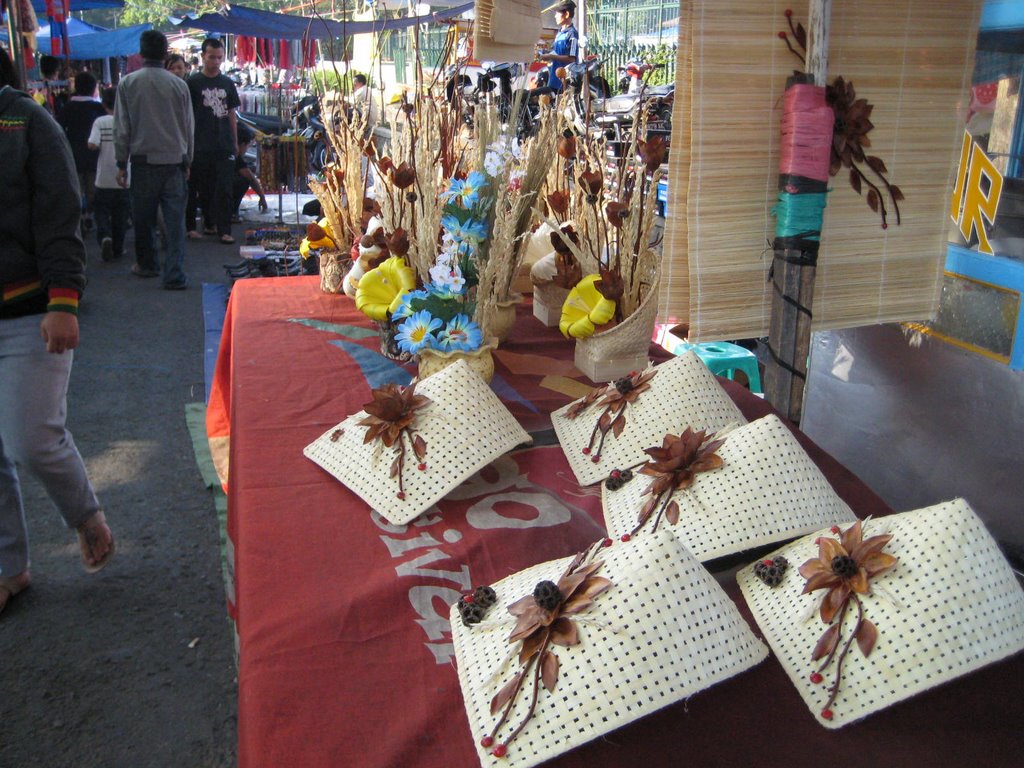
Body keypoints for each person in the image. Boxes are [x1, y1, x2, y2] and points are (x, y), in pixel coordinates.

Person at [0, 46, 115, 615]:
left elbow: (61, 210)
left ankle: (85, 514)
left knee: (31, 438)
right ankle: (8, 567)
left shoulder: (25, 120)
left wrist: (64, 299)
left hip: (28, 307)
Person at [113, 29, 194, 290]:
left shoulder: (128, 83)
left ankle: (147, 265)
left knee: (143, 219)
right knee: (175, 223)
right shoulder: (179, 85)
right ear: (165, 53)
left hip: (142, 161)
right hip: (174, 161)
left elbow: (122, 127)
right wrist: (188, 160)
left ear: (141, 51)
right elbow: (188, 127)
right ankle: (174, 274)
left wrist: (120, 162)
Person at [186, 37, 241, 245]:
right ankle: (200, 225)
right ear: (203, 56)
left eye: (219, 57)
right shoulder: (192, 83)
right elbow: (186, 115)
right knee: (201, 188)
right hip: (199, 144)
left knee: (225, 189)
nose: (216, 62)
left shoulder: (227, 83)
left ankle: (224, 230)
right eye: (212, 57)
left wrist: (235, 142)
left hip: (223, 143)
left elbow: (232, 114)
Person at [57, 71, 106, 232]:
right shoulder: (98, 107)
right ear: (94, 88)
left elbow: (59, 130)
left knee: (77, 190)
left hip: (73, 155)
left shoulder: (67, 108)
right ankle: (90, 216)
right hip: (94, 156)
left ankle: (79, 218)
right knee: (93, 189)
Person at [88, 87, 130, 262]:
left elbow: (92, 144)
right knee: (121, 215)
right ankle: (118, 248)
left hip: (103, 178)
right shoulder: (128, 121)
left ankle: (105, 236)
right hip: (125, 178)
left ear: (104, 104)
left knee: (102, 211)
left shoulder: (100, 121)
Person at [538, 1, 579, 94]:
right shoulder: (559, 33)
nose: (555, 16)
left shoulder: (572, 34)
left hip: (564, 83)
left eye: (557, 13)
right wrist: (544, 55)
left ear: (567, 14)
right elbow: (556, 53)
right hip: (553, 80)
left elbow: (572, 59)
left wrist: (551, 57)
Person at [231, 123, 267, 222]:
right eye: (247, 146)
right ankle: (231, 213)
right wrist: (262, 198)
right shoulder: (234, 156)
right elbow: (250, 178)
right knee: (242, 181)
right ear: (242, 144)